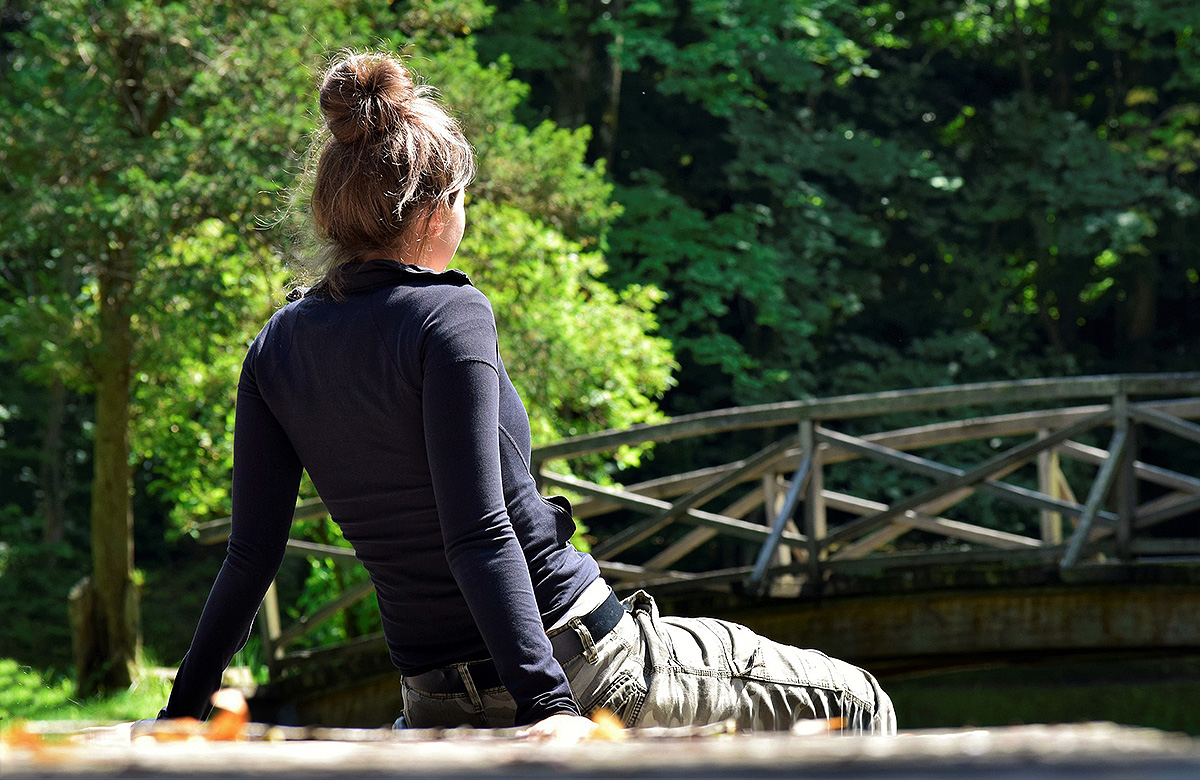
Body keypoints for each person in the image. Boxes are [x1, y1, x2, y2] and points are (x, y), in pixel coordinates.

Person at [155, 51, 896, 739]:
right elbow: (476, 529)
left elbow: (251, 554)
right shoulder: (449, 312)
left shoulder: (278, 345)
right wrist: (549, 706)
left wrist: (181, 716)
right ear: (435, 208)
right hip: (582, 664)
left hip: (431, 696)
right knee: (858, 702)